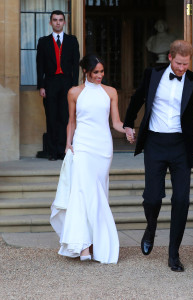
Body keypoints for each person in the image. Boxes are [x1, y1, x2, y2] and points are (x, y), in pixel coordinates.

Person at [124, 40, 193, 272]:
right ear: (170, 57)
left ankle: (174, 254)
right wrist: (128, 124)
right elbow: (137, 98)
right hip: (154, 142)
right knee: (152, 197)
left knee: (181, 200)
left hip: (182, 147)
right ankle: (151, 228)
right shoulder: (152, 74)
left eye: (186, 63)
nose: (183, 68)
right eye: (179, 63)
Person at [50, 54, 125, 264]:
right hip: (82, 145)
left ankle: (95, 244)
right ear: (86, 72)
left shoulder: (110, 92)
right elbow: (71, 121)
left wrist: (127, 129)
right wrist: (68, 144)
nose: (100, 75)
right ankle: (83, 245)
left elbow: (116, 122)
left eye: (102, 71)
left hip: (103, 147)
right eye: (96, 72)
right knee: (81, 192)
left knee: (98, 193)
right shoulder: (74, 92)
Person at [36, 10, 80, 161]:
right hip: (50, 83)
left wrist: (74, 86)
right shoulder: (43, 41)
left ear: (64, 22)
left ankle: (63, 150)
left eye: (60, 20)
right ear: (50, 22)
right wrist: (41, 86)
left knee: (65, 117)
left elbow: (76, 65)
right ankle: (53, 152)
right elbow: (39, 65)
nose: (58, 22)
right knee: (51, 117)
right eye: (55, 20)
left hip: (67, 84)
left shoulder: (72, 41)